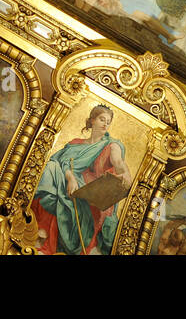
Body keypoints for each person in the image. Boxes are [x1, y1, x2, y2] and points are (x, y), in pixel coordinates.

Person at [32, 104, 132, 255]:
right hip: (73, 182)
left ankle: (48, 231)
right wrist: (71, 177)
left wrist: (126, 175)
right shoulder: (76, 144)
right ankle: (42, 228)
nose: (105, 124)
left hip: (93, 191)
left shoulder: (112, 145)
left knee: (58, 179)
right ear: (92, 120)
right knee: (51, 167)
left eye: (108, 121)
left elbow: (118, 162)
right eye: (101, 119)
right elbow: (60, 161)